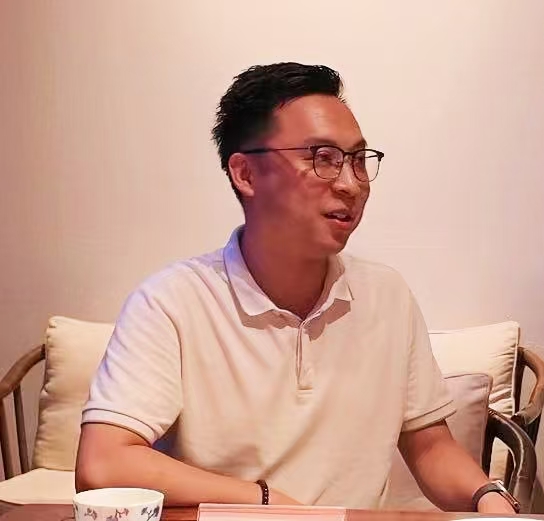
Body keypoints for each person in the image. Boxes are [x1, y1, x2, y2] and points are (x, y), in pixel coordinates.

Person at [75, 63, 517, 515]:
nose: (351, 184)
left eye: (358, 160)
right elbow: (104, 463)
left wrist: (489, 497)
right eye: (323, 158)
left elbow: (430, 448)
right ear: (246, 174)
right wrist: (268, 502)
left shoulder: (387, 295)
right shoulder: (171, 302)